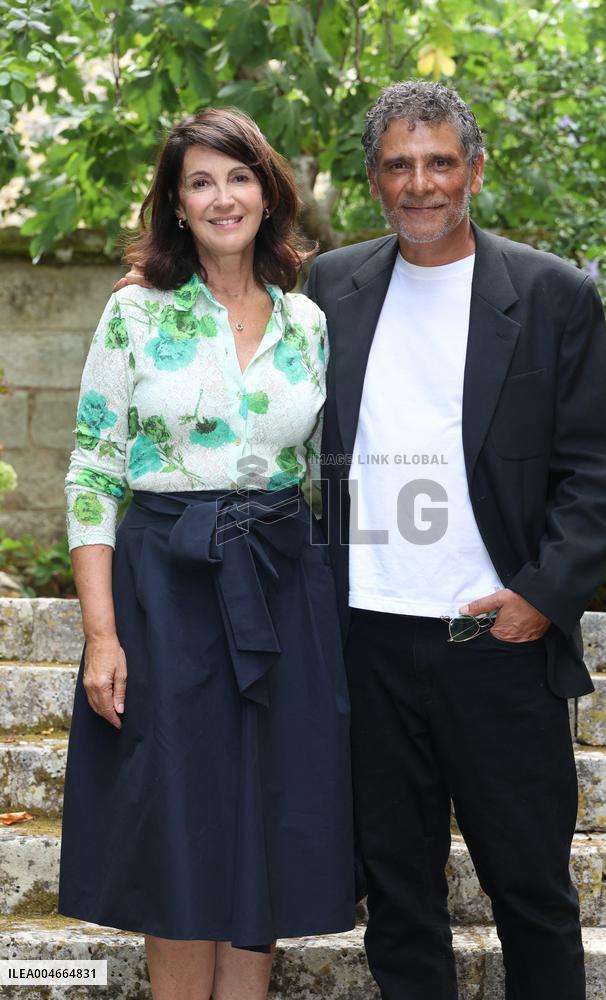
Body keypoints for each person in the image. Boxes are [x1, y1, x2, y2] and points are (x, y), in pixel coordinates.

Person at [304, 81, 606, 1000]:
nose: (421, 183)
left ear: (475, 169)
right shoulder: (333, 286)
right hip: (365, 634)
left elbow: (595, 465)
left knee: (530, 888)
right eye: (400, 165)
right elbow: (246, 339)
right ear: (374, 179)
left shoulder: (552, 294)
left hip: (488, 636)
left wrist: (539, 595)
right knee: (399, 898)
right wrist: (156, 284)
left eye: (440, 161)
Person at [58, 107, 355, 1000]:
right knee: (179, 828)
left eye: (238, 177)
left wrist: (334, 607)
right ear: (177, 207)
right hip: (165, 591)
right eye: (200, 181)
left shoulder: (308, 321)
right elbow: (92, 470)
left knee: (265, 820)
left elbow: (325, 478)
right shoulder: (133, 315)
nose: (222, 196)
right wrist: (102, 637)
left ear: (268, 194)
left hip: (281, 591)